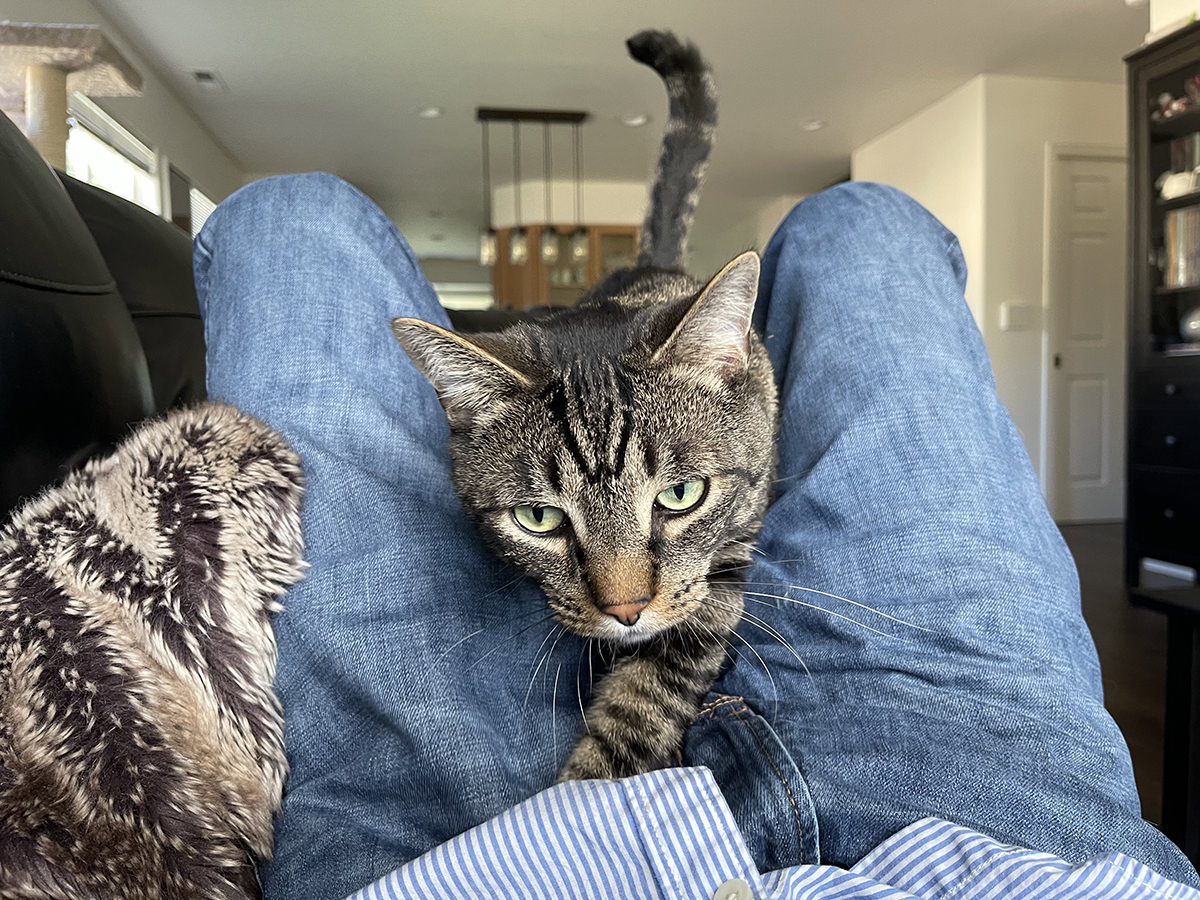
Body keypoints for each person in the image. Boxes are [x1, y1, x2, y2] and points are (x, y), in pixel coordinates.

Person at [195, 173, 1200, 900]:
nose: (619, 595)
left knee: (284, 221)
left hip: (431, 828)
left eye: (670, 504)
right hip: (984, 794)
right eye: (546, 523)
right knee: (865, 222)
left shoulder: (701, 397)